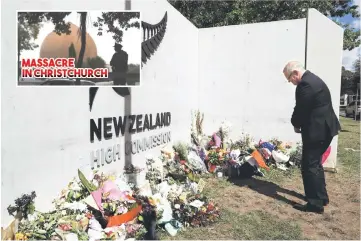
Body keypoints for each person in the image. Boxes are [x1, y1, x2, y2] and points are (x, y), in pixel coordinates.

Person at [283, 61, 341, 214]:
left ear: (295, 73)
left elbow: (301, 108)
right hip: (324, 129)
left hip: (317, 131)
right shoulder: (314, 79)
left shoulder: (306, 85)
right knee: (315, 164)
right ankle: (321, 197)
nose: (291, 83)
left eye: (290, 79)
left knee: (309, 166)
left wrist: (295, 123)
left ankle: (315, 204)